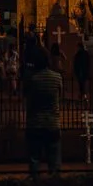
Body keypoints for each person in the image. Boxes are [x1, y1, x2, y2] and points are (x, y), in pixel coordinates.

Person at [24, 48, 63, 177]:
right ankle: (55, 184)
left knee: (35, 158)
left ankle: (35, 184)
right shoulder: (57, 77)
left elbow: (28, 98)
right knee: (54, 159)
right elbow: (60, 96)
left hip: (35, 123)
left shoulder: (33, 79)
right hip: (53, 122)